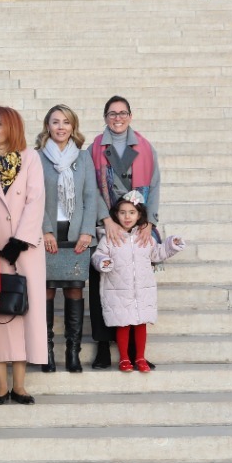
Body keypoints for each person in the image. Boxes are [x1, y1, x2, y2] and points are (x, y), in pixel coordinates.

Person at [0, 106, 47, 404]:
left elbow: (36, 198)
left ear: (13, 126)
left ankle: (20, 385)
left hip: (25, 248)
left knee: (24, 312)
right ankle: (1, 385)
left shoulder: (31, 157)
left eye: (0, 124)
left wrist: (19, 241)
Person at [86, 95, 162, 370]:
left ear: (130, 115)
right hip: (105, 223)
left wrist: (149, 222)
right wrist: (106, 219)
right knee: (102, 288)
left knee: (134, 286)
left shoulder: (144, 146)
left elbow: (153, 186)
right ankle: (104, 346)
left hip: (135, 222)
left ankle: (134, 350)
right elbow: (90, 187)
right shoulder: (94, 147)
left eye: (122, 113)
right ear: (105, 117)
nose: (117, 118)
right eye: (112, 114)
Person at [36, 104, 101, 373]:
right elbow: (35, 196)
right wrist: (46, 230)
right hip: (49, 230)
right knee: (47, 290)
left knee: (74, 288)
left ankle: (72, 351)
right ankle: (47, 351)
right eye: (55, 122)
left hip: (76, 232)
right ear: (47, 126)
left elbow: (90, 196)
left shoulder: (83, 158)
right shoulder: (37, 157)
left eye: (66, 122)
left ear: (73, 126)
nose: (61, 127)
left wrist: (87, 230)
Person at [93, 191, 186, 371]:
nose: (127, 217)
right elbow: (98, 255)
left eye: (132, 213)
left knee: (141, 324)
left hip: (142, 290)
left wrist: (170, 244)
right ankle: (124, 358)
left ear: (139, 215)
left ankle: (140, 358)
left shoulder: (145, 237)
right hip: (119, 290)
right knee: (123, 324)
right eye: (123, 213)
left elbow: (157, 253)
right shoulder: (110, 237)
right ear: (116, 215)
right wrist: (103, 262)